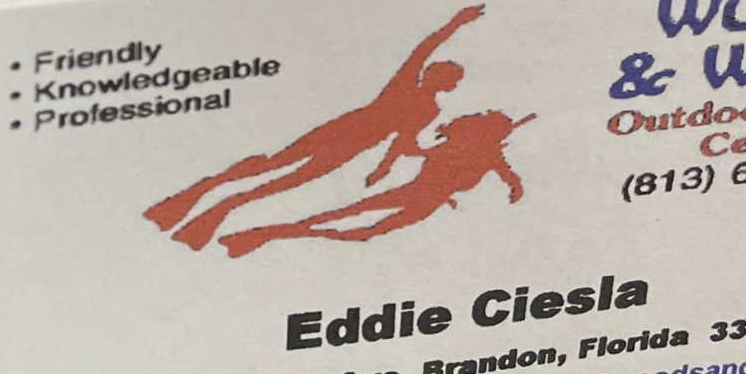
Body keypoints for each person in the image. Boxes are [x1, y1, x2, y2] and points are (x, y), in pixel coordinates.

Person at [143, 5, 484, 250]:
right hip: (340, 133)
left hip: (349, 145)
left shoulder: (427, 108)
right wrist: (456, 22)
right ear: (439, 77)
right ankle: (203, 192)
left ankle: (215, 211)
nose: (451, 83)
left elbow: (402, 142)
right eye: (451, 78)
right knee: (275, 167)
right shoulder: (408, 86)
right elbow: (424, 49)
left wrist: (398, 163)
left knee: (283, 179)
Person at [218, 108, 533, 256]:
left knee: (354, 218)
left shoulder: (475, 150)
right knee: (360, 224)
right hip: (422, 196)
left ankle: (271, 233)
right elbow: (508, 178)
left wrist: (513, 186)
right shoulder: (478, 151)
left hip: (420, 195)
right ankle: (271, 233)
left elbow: (510, 178)